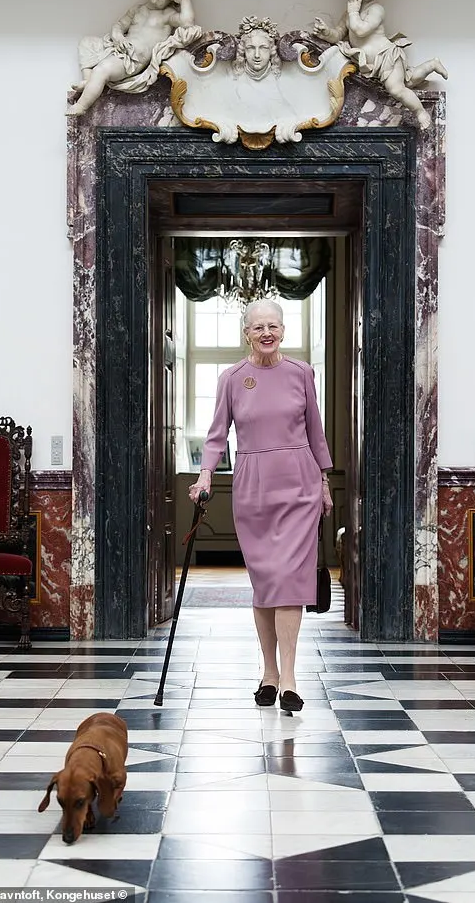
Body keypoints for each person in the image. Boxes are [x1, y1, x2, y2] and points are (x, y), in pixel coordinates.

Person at [188, 299, 333, 712]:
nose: (266, 333)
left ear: (283, 331)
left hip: (300, 483)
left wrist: (324, 480)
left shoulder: (302, 373)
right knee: (267, 581)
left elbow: (315, 431)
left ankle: (288, 677)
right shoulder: (233, 378)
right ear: (246, 333)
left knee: (290, 579)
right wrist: (204, 476)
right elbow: (217, 435)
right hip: (253, 486)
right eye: (258, 327)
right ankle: (268, 670)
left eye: (273, 326)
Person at [313, 0, 447, 130]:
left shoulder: (376, 9)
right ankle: (431, 65)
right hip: (375, 64)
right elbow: (338, 34)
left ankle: (420, 112)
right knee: (407, 83)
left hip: (386, 57)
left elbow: (361, 30)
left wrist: (353, 12)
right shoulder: (348, 15)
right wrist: (325, 32)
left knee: (397, 90)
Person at [67, 0, 196, 116]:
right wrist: (118, 36)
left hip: (132, 60)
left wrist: (185, 0)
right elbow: (119, 25)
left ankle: (82, 106)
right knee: (87, 42)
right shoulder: (137, 10)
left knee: (102, 70)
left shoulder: (167, 15)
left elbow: (187, 22)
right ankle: (88, 80)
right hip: (118, 48)